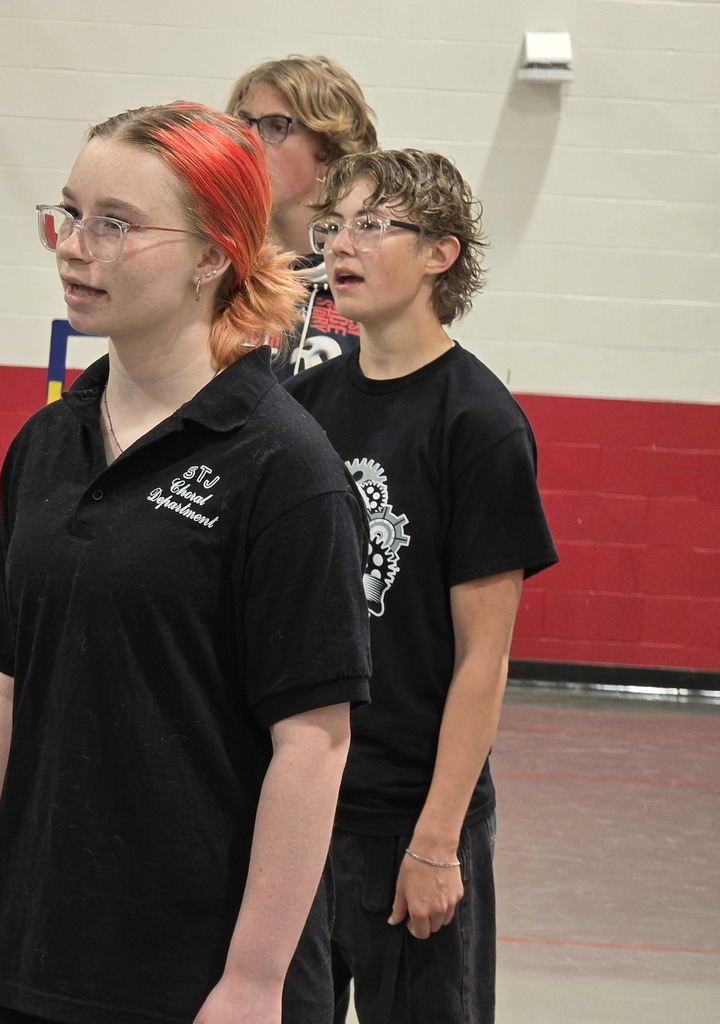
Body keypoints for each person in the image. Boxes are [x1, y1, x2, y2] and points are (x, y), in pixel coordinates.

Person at [0, 102, 373, 1024]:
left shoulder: (286, 468)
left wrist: (254, 980)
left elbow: (313, 744)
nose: (73, 246)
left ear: (212, 255)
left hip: (192, 983)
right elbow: (10, 691)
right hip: (29, 962)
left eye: (116, 224)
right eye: (70, 212)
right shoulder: (44, 445)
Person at [285, 149, 559, 1024]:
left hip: (413, 821)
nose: (341, 246)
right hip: (302, 806)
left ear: (441, 253)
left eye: (372, 225)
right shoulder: (302, 407)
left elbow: (484, 659)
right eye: (334, 226)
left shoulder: (479, 424)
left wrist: (437, 840)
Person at [225, 55, 377, 378]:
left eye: (275, 127)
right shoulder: (215, 267)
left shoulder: (367, 277)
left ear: (330, 150)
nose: (249, 141)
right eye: (243, 123)